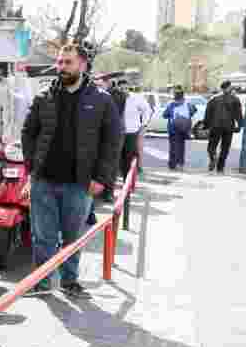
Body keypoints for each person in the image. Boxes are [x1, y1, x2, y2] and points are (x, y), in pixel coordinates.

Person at [21, 40, 123, 297]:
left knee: (72, 238)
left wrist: (102, 179)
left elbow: (113, 141)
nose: (62, 67)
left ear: (83, 64)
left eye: (68, 62)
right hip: (43, 181)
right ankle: (42, 284)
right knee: (42, 237)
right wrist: (32, 169)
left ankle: (69, 281)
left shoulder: (101, 99)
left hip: (80, 184)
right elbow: (28, 133)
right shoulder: (45, 95)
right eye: (60, 62)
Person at [203, 80, 243, 174]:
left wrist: (206, 125)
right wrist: (240, 125)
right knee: (225, 148)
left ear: (222, 88)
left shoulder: (214, 99)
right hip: (228, 127)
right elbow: (238, 114)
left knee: (212, 146)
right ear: (229, 88)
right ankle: (220, 168)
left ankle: (213, 156)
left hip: (215, 126)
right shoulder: (235, 99)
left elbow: (208, 114)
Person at [119, 81, 153, 182]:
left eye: (125, 88)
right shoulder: (116, 98)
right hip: (119, 132)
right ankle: (122, 173)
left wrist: (144, 125)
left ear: (128, 88)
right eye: (121, 88)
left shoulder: (136, 98)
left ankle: (130, 177)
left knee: (130, 155)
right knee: (120, 155)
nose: (123, 90)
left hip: (132, 132)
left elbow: (147, 110)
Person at [162, 86, 196, 171]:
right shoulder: (187, 103)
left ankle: (173, 164)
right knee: (181, 146)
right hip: (184, 128)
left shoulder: (171, 104)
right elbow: (193, 112)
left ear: (175, 95)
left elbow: (165, 115)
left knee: (173, 147)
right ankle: (181, 164)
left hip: (173, 129)